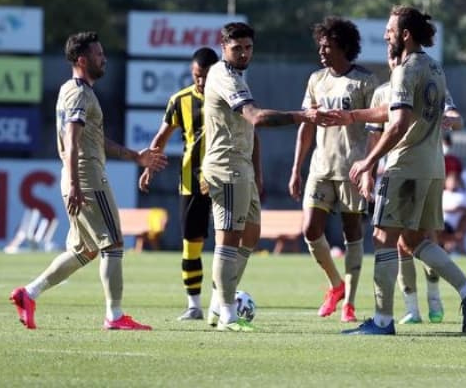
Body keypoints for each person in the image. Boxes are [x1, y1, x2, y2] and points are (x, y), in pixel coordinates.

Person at [336, 5, 466, 335]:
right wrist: (353, 116)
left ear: (405, 35)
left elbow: (399, 123)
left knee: (383, 238)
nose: (385, 35)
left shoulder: (405, 71)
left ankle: (382, 321)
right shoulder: (434, 67)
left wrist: (369, 161)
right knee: (414, 240)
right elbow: (401, 112)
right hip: (433, 167)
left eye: (390, 30)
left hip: (405, 167)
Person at [10, 31, 168, 331]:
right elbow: (72, 139)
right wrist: (74, 183)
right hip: (86, 176)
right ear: (82, 60)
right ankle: (114, 316)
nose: (104, 59)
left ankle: (29, 293)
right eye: (98, 54)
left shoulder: (72, 90)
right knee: (114, 243)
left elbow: (93, 138)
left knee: (85, 250)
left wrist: (135, 156)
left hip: (78, 175)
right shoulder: (80, 93)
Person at [202, 21, 323, 332]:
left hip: (242, 167)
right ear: (223, 47)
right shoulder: (224, 75)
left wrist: (257, 173)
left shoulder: (238, 76)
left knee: (251, 235)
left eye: (248, 48)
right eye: (237, 48)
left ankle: (218, 301)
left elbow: (250, 130)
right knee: (229, 238)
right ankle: (227, 313)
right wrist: (303, 116)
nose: (244, 53)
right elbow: (256, 118)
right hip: (227, 166)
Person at [363, 49, 464, 326]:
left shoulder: (427, 83)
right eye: (391, 55)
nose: (395, 59)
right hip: (399, 170)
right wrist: (368, 172)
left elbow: (456, 117)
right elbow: (374, 138)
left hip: (416, 168)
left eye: (398, 55)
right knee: (402, 243)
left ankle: (434, 295)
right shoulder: (382, 92)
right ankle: (412, 308)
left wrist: (452, 120)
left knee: (421, 238)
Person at [288, 17, 378, 324]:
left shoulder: (365, 81)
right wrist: (296, 168)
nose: (321, 52)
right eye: (320, 46)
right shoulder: (316, 80)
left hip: (352, 169)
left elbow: (376, 128)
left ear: (343, 46)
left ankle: (349, 304)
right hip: (320, 167)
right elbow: (306, 125)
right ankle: (335, 284)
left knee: (352, 233)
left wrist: (368, 168)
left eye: (327, 46)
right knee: (310, 229)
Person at [138, 47, 219, 321]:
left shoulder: (229, 97)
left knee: (226, 243)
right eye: (197, 76)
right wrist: (149, 167)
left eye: (206, 76)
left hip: (225, 179)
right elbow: (162, 136)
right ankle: (194, 306)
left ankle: (220, 302)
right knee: (191, 243)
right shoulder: (179, 100)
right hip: (191, 181)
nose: (202, 81)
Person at [439, 170, 466, 255]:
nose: (452, 183)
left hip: (452, 225)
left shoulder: (463, 196)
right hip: (439, 222)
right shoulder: (441, 194)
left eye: (454, 181)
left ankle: (454, 246)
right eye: (450, 181)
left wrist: (460, 209)